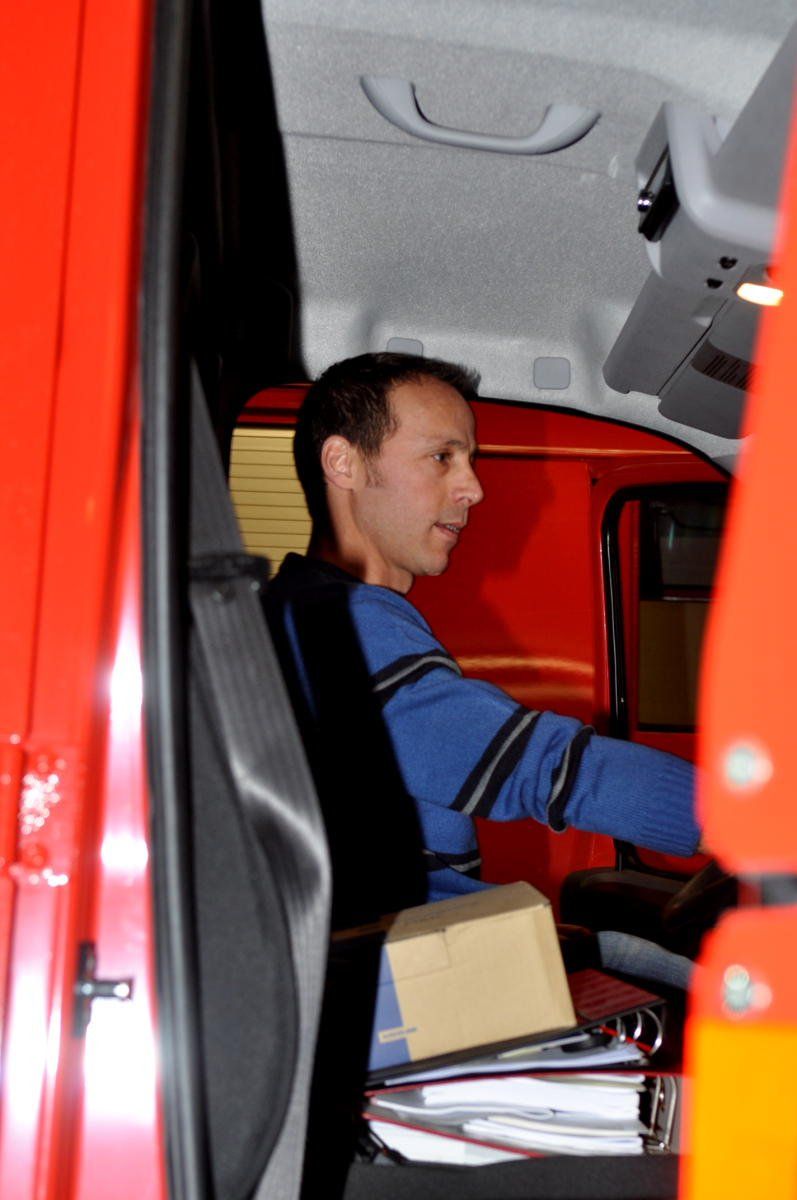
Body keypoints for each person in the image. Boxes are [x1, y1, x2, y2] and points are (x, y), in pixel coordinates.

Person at [265, 352, 701, 965]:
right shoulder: (346, 624)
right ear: (343, 463)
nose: (473, 488)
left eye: (469, 460)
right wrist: (751, 817)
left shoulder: (296, 607)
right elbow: (546, 770)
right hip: (414, 959)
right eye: (442, 457)